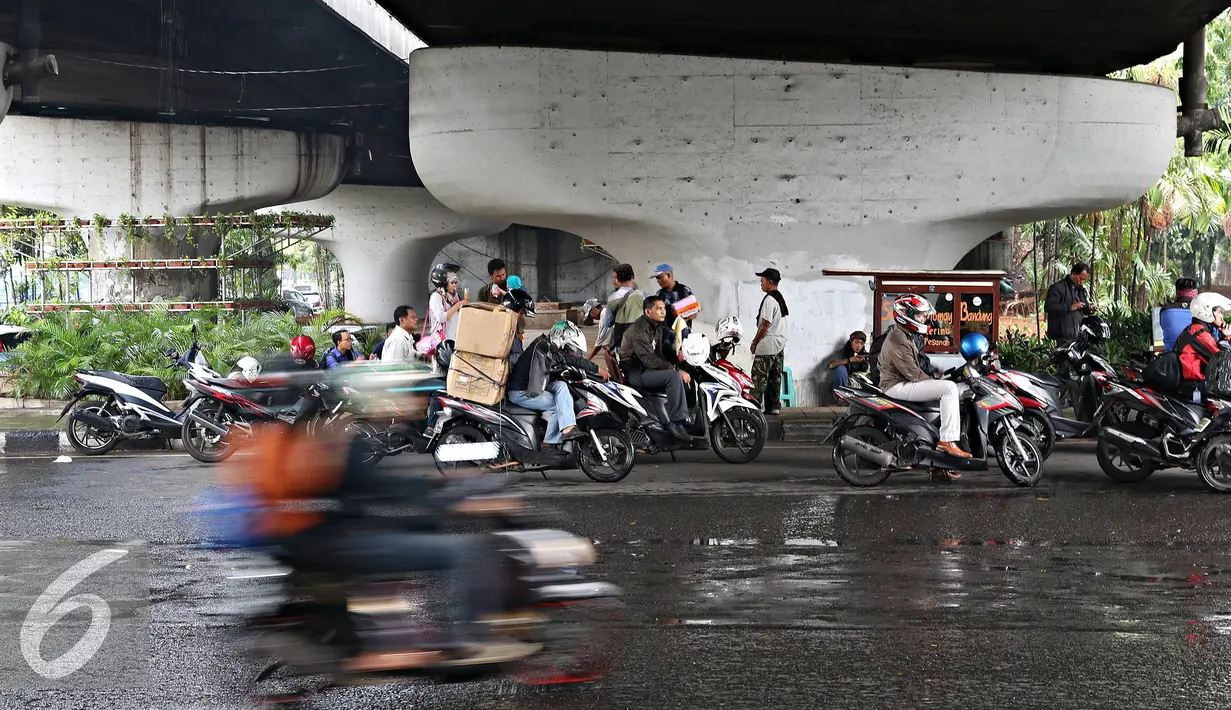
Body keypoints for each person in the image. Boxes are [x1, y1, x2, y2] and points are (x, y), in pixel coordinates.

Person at [228, 421, 524, 669]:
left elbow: (381, 487)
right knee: (462, 551)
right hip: (348, 542)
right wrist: (452, 501)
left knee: (430, 537)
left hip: (335, 539)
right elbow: (382, 487)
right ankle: (467, 642)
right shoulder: (334, 445)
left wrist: (439, 491)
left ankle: (427, 636)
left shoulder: (308, 441)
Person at [879, 293, 970, 477]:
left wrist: (934, 378)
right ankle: (948, 441)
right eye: (920, 315)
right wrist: (937, 383)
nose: (924, 318)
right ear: (907, 315)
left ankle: (936, 463)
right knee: (950, 389)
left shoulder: (904, 333)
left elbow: (918, 365)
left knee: (943, 395)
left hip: (903, 382)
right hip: (897, 386)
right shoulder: (899, 340)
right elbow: (913, 374)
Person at [506, 321, 607, 446]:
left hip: (534, 384)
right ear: (560, 340)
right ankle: (553, 440)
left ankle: (566, 427)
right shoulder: (544, 347)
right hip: (521, 391)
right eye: (569, 348)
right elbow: (571, 359)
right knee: (557, 404)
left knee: (561, 386)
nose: (570, 352)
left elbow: (566, 362)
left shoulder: (546, 346)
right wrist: (598, 369)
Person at [620, 296, 692, 440]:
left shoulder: (656, 326)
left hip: (645, 368)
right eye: (658, 309)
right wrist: (675, 370)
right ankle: (676, 423)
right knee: (674, 377)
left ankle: (684, 417)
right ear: (648, 312)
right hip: (637, 373)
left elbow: (658, 354)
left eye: (664, 308)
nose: (663, 311)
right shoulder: (639, 330)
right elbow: (650, 360)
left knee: (684, 372)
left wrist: (678, 364)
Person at [1175, 292, 1231, 398]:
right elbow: (1221, 361)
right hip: (1195, 387)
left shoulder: (1196, 330)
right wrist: (1228, 338)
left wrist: (1225, 337)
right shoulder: (1201, 334)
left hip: (1195, 384)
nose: (1222, 316)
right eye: (1219, 312)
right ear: (1207, 311)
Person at [749, 267, 789, 415]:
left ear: (770, 282)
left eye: (763, 281)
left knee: (759, 376)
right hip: (780, 343)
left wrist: (754, 342)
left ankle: (752, 407)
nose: (761, 283)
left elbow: (765, 323)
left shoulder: (769, 299)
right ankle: (773, 406)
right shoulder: (780, 298)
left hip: (768, 343)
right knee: (775, 376)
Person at [423, 263, 467, 360]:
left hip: (454, 340)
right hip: (443, 343)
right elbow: (441, 318)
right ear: (443, 283)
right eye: (452, 283)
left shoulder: (453, 296)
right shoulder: (436, 297)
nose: (454, 286)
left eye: (455, 283)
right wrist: (458, 305)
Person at [653, 264, 699, 355]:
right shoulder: (659, 294)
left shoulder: (684, 291)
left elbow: (694, 313)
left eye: (660, 277)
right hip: (664, 338)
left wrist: (682, 316)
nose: (658, 281)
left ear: (669, 275)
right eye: (656, 278)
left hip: (683, 338)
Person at [1045, 262, 1093, 346]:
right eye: (1081, 279)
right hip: (1063, 334)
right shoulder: (1057, 288)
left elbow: (1082, 307)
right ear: (1074, 274)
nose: (1082, 282)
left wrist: (1089, 309)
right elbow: (1049, 307)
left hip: (1078, 334)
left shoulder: (1080, 289)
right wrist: (1070, 307)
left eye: (1084, 280)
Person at [602, 264, 644, 356]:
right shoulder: (643, 296)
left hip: (621, 342)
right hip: (641, 342)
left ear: (618, 279)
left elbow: (607, 323)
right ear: (633, 277)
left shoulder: (612, 299)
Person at [1161, 277, 1200, 352]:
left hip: (1169, 358)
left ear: (1176, 292)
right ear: (1195, 293)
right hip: (1194, 359)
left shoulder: (1165, 310)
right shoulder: (1200, 311)